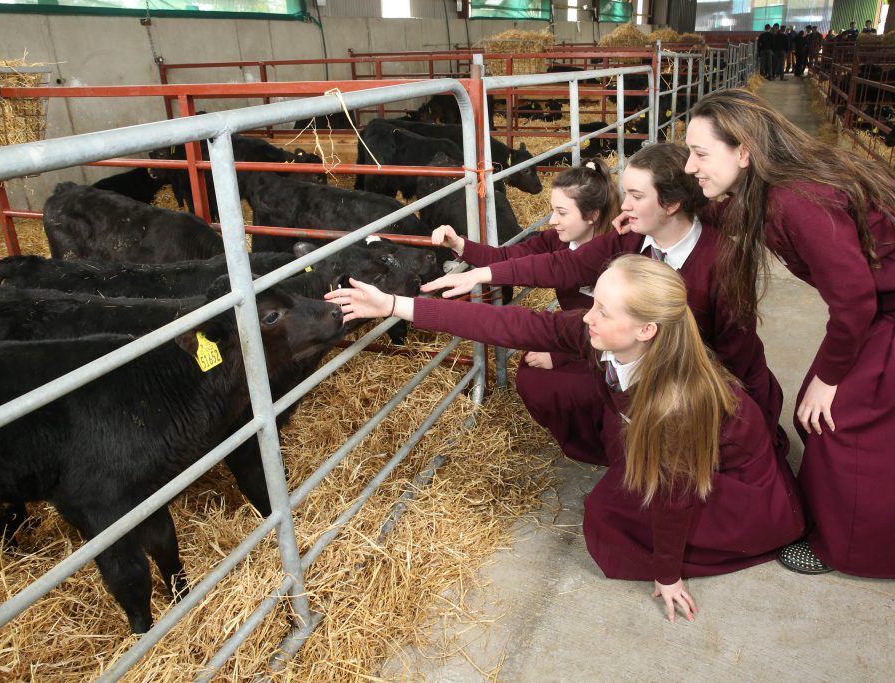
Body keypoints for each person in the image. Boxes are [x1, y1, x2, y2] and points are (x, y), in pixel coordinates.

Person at [327, 255, 806, 621]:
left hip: (733, 486)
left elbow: (674, 498)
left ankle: (747, 533)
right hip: (666, 451)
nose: (588, 316)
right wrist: (395, 306)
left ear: (645, 329)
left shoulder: (678, 405)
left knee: (606, 518)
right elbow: (514, 325)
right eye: (594, 301)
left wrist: (667, 573)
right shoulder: (612, 338)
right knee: (570, 408)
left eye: (603, 310)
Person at [684, 89, 895, 578]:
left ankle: (851, 546)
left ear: (744, 151)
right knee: (845, 413)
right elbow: (737, 215)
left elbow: (853, 302)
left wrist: (829, 380)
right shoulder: (768, 184)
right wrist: (671, 210)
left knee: (840, 418)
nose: (690, 166)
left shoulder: (795, 200)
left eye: (700, 153)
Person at [424, 143, 788, 458]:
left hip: (692, 388)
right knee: (544, 381)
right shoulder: (630, 239)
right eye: (625, 193)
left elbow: (736, 353)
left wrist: (738, 421)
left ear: (672, 204)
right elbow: (562, 266)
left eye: (636, 196)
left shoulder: (722, 262)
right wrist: (480, 273)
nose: (624, 206)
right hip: (634, 369)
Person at [431, 158, 620, 465]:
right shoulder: (557, 241)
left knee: (553, 384)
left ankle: (604, 447)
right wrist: (461, 245)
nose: (552, 220)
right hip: (576, 335)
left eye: (562, 212)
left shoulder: (613, 254)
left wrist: (559, 356)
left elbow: (621, 328)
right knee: (531, 373)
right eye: (552, 210)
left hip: (611, 351)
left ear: (592, 215)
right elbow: (507, 257)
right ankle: (586, 439)